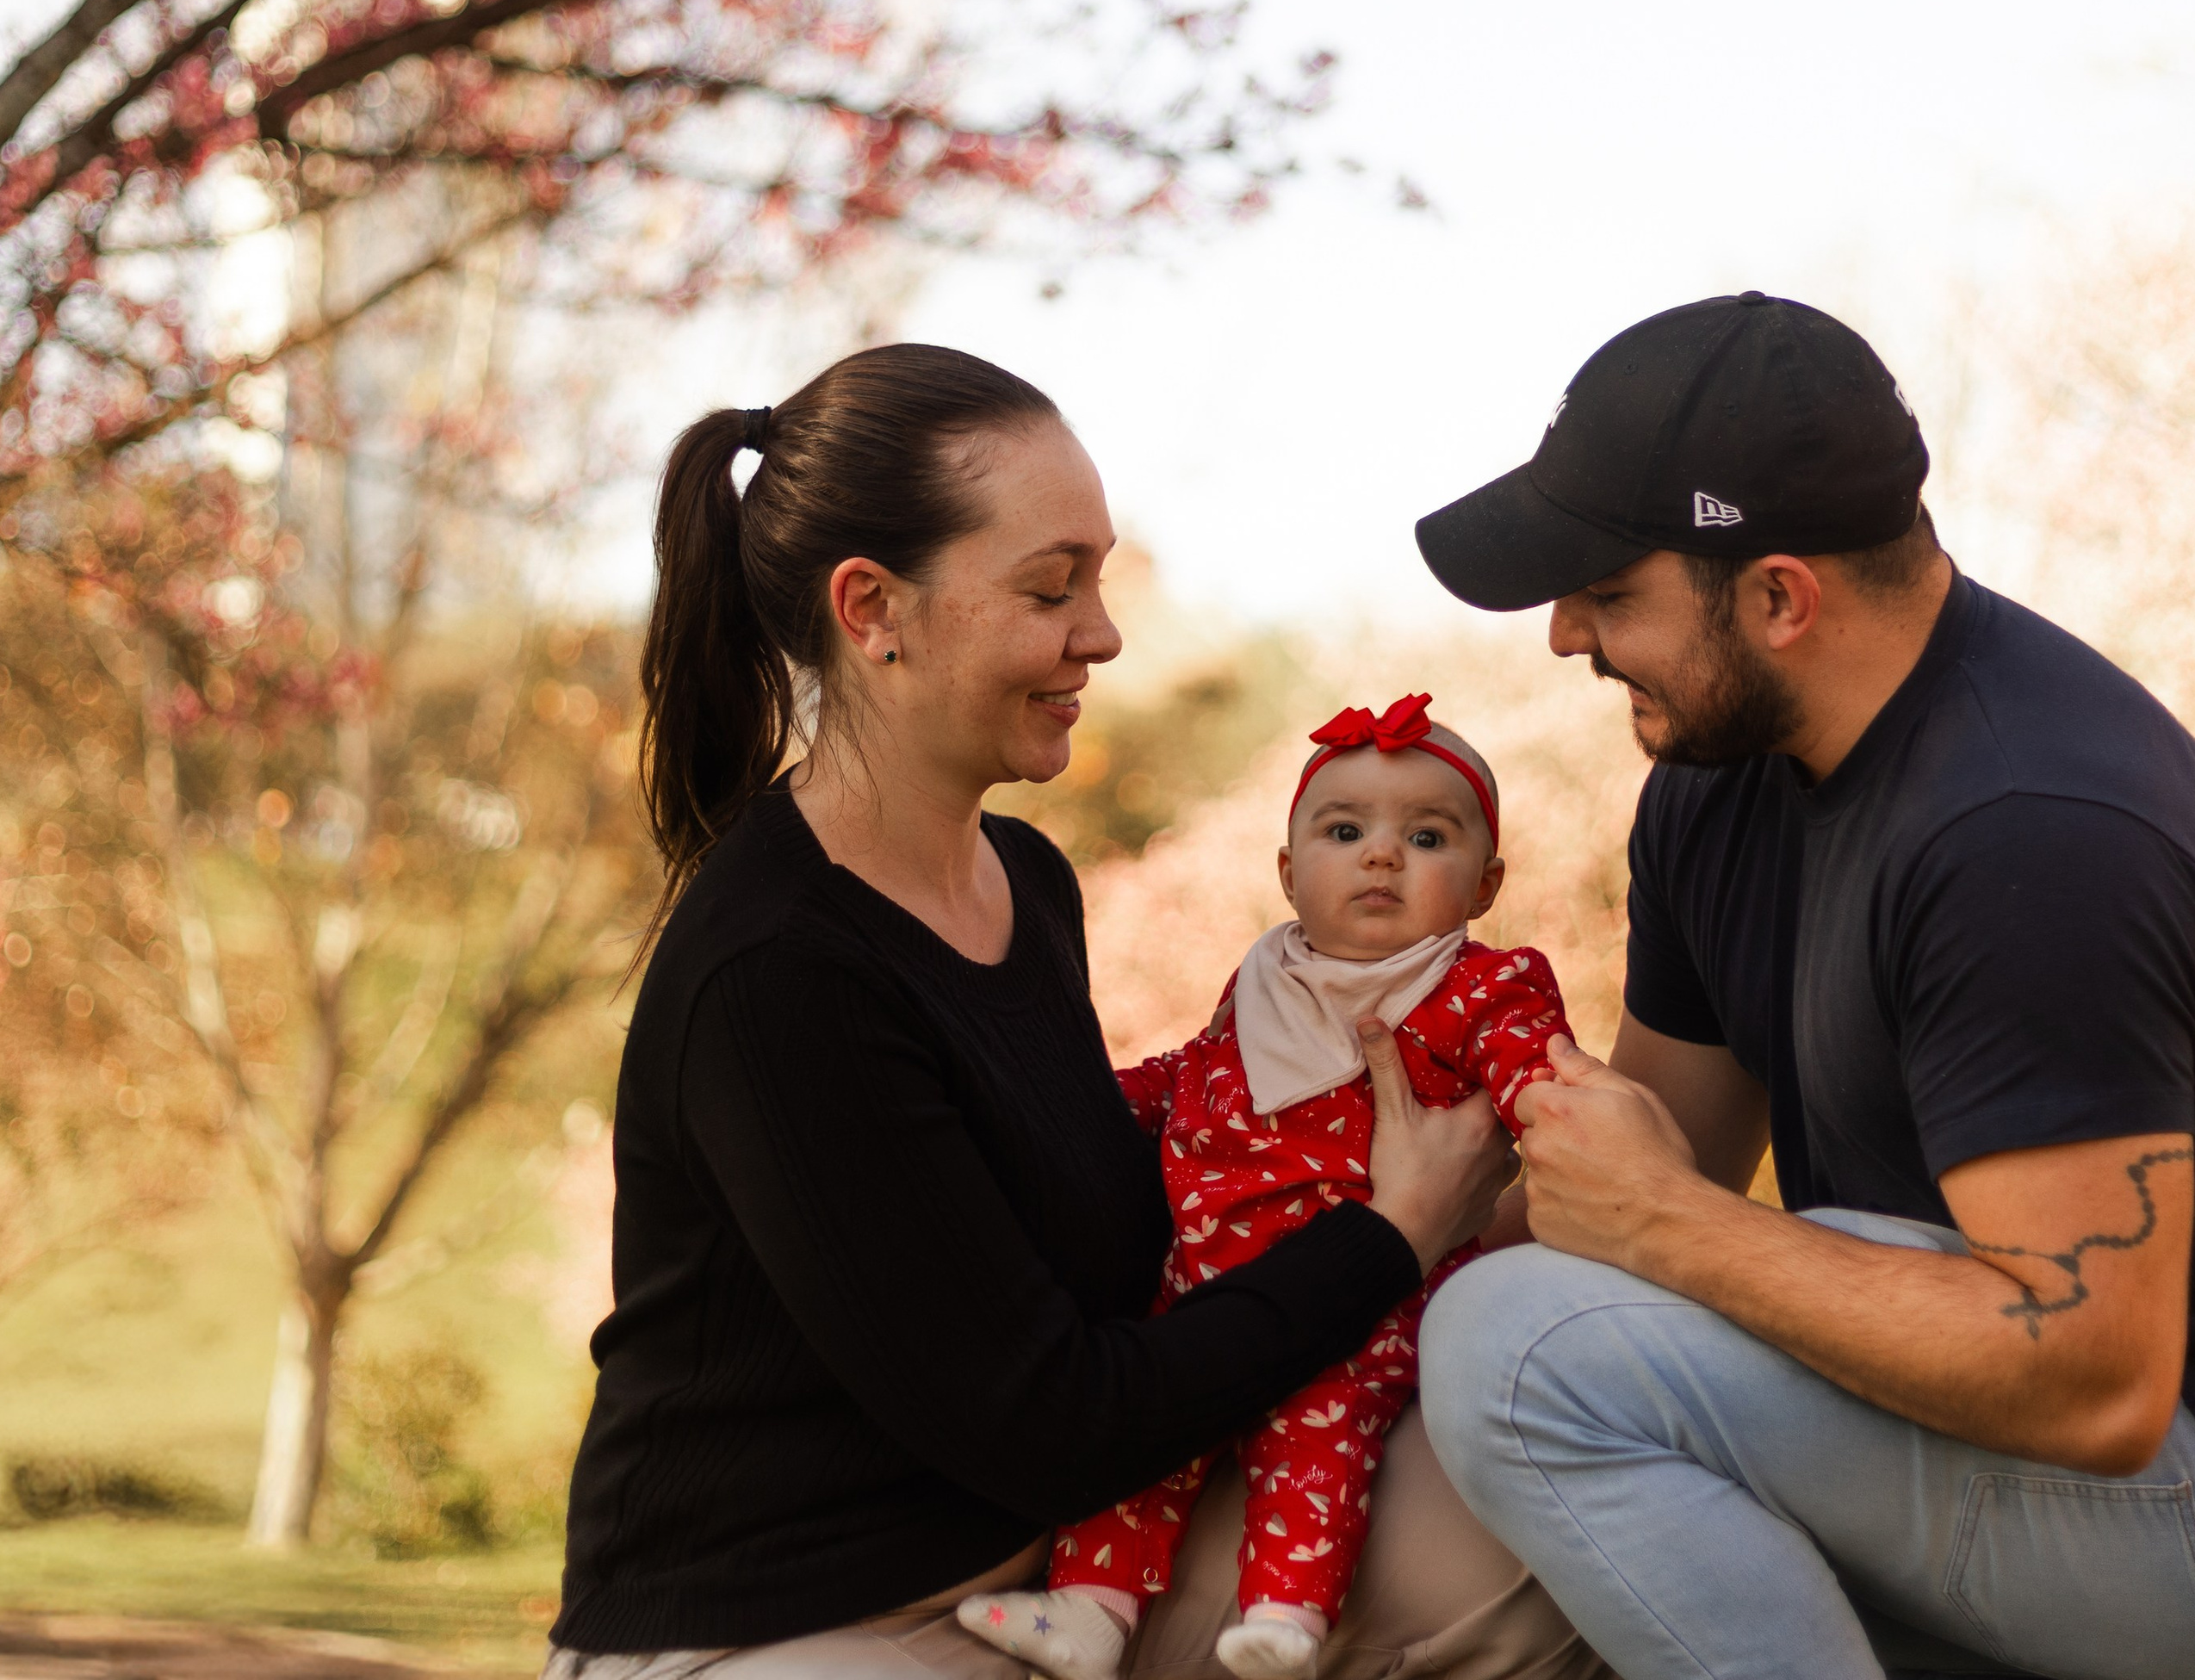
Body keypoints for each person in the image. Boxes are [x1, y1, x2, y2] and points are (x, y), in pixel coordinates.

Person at [543, 344, 1606, 1680]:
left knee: (1540, 1562)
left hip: (1051, 1565)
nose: (1101, 633)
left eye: (1098, 580)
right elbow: (1049, 1422)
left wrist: (1325, 1132)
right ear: (873, 608)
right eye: (1053, 588)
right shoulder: (777, 972)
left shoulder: (1027, 883)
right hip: (783, 1627)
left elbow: (1127, 1246)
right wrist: (1390, 1235)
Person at [1408, 292, 2195, 1680]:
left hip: (2154, 1482)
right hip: (1996, 1448)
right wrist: (1333, 1262)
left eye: (1610, 593)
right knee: (1496, 1322)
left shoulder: (2029, 827)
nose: (1564, 636)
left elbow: (2097, 1384)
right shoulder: (1719, 784)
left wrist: (1660, 1222)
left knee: (1518, 1352)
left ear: (1779, 597)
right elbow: (1647, 1168)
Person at [958, 692, 1570, 1680]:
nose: (1382, 855)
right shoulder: (1265, 979)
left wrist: (1552, 1104)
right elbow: (1195, 1072)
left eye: (1425, 836)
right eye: (1344, 831)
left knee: (1315, 1432)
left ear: (1487, 881)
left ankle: (1286, 1615)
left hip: (1369, 1293)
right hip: (1205, 1279)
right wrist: (1087, 1107)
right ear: (1288, 872)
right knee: (1145, 1437)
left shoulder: (1476, 989)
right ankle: (1088, 1613)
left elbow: (1533, 1072)